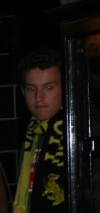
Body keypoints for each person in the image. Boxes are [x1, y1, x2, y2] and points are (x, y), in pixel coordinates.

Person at [13, 48, 67, 212]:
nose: (39, 97)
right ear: (23, 91)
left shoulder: (80, 132)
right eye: (31, 88)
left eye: (49, 87)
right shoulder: (31, 137)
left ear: (65, 88)